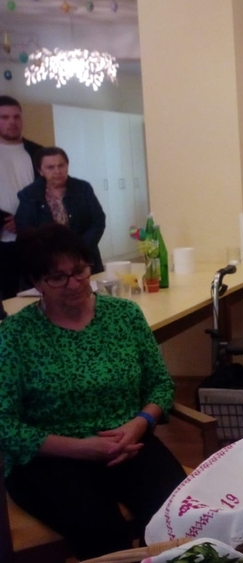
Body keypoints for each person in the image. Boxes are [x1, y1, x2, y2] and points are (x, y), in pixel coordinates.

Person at [0, 224, 186, 559]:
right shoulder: (15, 334)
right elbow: (5, 424)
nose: (74, 284)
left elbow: (160, 383)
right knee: (102, 533)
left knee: (179, 518)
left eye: (79, 271)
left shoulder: (124, 315)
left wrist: (140, 422)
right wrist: (83, 449)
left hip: (128, 442)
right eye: (57, 277)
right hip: (51, 458)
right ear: (36, 282)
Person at [16, 146, 107, 274]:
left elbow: (98, 220)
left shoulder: (83, 188)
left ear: (67, 166)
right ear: (40, 171)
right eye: (50, 167)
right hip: (48, 261)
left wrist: (81, 247)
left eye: (61, 165)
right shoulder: (29, 194)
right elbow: (25, 228)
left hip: (84, 255)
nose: (57, 171)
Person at [0, 96, 43, 299]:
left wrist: (22, 220)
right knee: (6, 296)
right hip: (2, 238)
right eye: (4, 117)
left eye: (16, 117)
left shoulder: (37, 152)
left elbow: (48, 190)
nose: (12, 122)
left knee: (38, 291)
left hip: (33, 235)